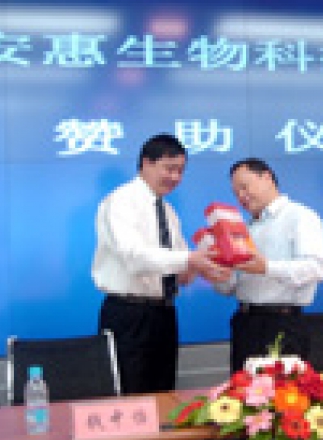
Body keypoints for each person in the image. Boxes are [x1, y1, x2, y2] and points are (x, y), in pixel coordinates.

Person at [92, 133, 230, 394]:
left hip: (164, 314)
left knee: (164, 393)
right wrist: (190, 259)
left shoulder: (168, 211)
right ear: (146, 163)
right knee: (130, 395)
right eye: (169, 168)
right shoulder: (121, 201)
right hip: (129, 314)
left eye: (181, 171)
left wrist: (206, 262)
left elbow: (181, 271)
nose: (175, 177)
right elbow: (133, 257)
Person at [210, 157, 323, 373]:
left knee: (283, 392)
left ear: (266, 177)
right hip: (245, 323)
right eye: (236, 192)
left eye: (245, 187)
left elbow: (316, 268)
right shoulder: (243, 228)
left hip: (282, 325)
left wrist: (266, 267)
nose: (241, 196)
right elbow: (230, 287)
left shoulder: (300, 216)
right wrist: (218, 273)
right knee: (242, 391)